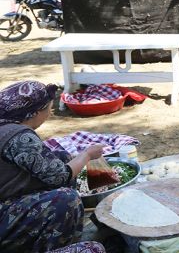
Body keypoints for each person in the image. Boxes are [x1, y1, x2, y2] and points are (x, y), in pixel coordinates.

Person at [0, 81, 106, 253]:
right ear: (34, 113)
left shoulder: (6, 125)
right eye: (48, 108)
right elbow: (60, 176)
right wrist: (86, 155)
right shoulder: (17, 137)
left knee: (62, 157)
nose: (50, 113)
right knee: (65, 199)